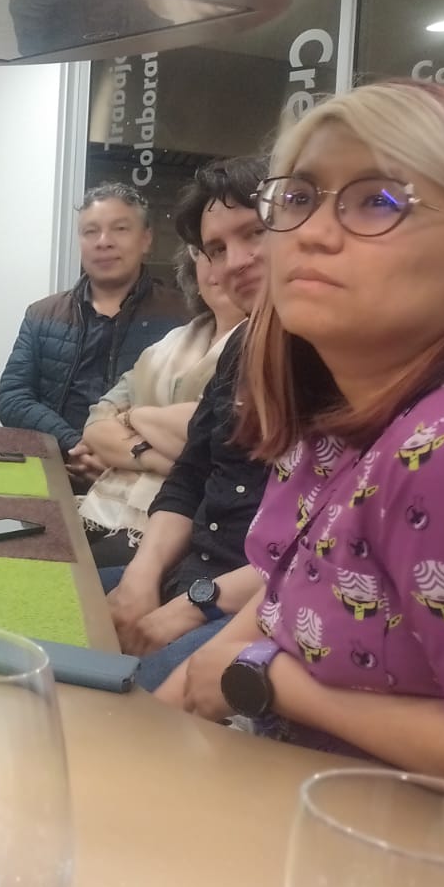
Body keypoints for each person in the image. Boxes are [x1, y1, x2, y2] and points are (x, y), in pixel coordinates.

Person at [172, 80, 444, 777]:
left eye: (378, 200)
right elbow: (274, 602)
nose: (313, 234)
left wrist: (273, 682)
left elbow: (248, 664)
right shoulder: (334, 431)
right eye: (298, 199)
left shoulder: (440, 450)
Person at [102, 154, 270, 690]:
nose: (233, 262)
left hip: (255, 606)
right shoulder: (243, 346)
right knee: (34, 618)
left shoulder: (349, 363)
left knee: (126, 711)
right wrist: (141, 578)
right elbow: (191, 475)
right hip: (189, 575)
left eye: (254, 233)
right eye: (216, 249)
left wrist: (193, 606)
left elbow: (315, 552)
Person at [0, 183, 188, 483]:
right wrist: (74, 445)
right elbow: (11, 396)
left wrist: (116, 451)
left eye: (120, 229)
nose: (103, 242)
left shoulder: (182, 318)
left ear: (146, 239)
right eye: (90, 231)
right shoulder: (43, 314)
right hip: (55, 471)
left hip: (143, 481)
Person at [79, 243, 246, 566]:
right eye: (210, 252)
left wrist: (133, 416)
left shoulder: (264, 348)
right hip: (106, 509)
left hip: (186, 524)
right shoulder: (168, 344)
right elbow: (96, 425)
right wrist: (155, 458)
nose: (220, 268)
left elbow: (209, 440)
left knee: (61, 577)